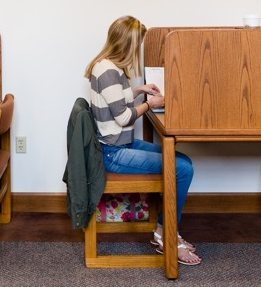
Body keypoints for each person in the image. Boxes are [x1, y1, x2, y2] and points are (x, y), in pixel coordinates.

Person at [84, 15, 201, 266]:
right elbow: (124, 116)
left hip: (118, 145)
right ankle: (166, 232)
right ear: (126, 44)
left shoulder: (107, 66)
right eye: (136, 44)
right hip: (113, 152)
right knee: (182, 169)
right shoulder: (107, 71)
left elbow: (116, 99)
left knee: (183, 160)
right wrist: (151, 104)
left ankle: (163, 228)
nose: (138, 50)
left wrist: (139, 90)